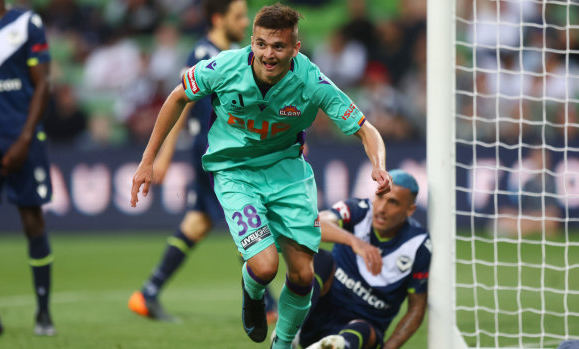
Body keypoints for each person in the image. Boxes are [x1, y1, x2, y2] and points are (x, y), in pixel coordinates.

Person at [129, 4, 392, 349]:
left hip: (288, 174)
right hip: (235, 173)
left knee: (302, 275)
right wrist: (148, 160)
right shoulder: (224, 66)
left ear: (295, 49)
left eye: (279, 46)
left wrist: (378, 164)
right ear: (252, 41)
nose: (269, 54)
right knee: (265, 267)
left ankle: (281, 345)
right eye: (262, 44)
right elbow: (178, 97)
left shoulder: (311, 80)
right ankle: (252, 294)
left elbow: (365, 129)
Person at [127, 0, 278, 323]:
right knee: (245, 217)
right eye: (238, 17)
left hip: (221, 148)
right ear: (217, 18)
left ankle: (148, 292)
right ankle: (267, 304)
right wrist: (162, 156)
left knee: (199, 221)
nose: (245, 22)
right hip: (214, 150)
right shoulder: (202, 55)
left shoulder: (238, 52)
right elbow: (180, 104)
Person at [0, 0, 55, 336]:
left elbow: (43, 84)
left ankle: (44, 313)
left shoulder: (27, 23)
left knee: (31, 219)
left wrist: (24, 139)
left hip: (22, 134)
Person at [301, 170, 430, 349]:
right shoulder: (359, 210)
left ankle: (338, 345)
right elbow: (313, 224)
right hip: (317, 315)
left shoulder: (418, 245)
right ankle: (291, 331)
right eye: (380, 197)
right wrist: (353, 240)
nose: (382, 209)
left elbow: (416, 309)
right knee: (321, 259)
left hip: (359, 332)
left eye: (393, 202)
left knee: (362, 329)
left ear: (410, 210)